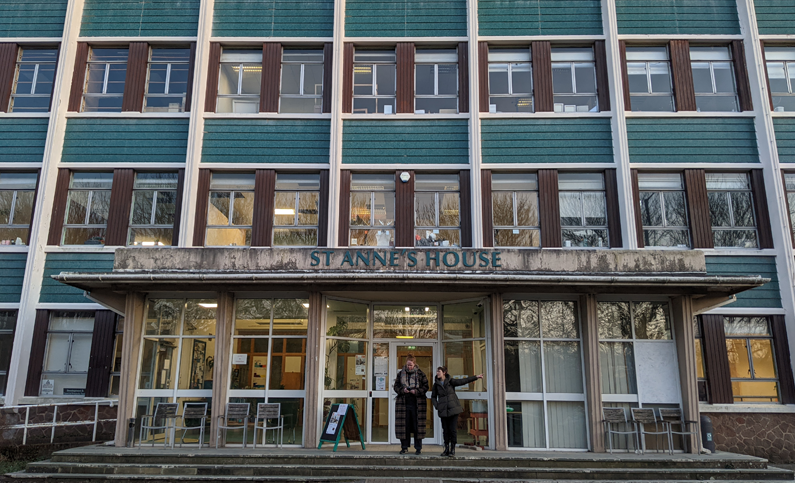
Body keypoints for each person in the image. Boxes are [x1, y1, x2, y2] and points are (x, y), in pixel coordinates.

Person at [431, 366, 483, 457]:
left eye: (439, 371)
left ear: (444, 372)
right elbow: (433, 397)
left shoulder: (451, 382)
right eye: (437, 371)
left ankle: (452, 449)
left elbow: (463, 381)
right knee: (445, 431)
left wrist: (475, 377)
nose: (437, 373)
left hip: (453, 409)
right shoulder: (436, 385)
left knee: (452, 430)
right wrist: (437, 406)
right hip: (443, 411)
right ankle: (446, 449)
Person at [393, 354, 429, 455]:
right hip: (403, 404)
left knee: (417, 426)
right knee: (404, 427)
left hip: (417, 404)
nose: (410, 367)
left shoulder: (421, 374)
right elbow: (395, 386)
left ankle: (418, 448)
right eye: (408, 365)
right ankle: (404, 447)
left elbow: (426, 387)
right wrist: (403, 390)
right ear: (406, 363)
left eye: (411, 365)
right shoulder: (400, 374)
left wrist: (416, 392)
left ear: (414, 363)